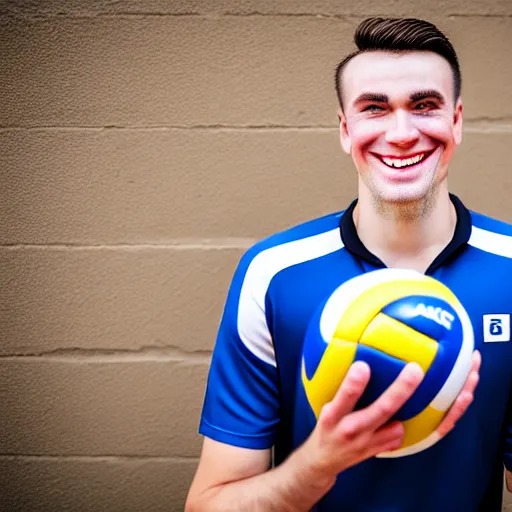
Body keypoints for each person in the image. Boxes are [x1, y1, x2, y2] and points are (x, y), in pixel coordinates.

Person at [185, 17, 512, 511]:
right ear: (345, 128)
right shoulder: (274, 275)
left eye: (424, 106)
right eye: (374, 109)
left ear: (457, 121)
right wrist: (315, 466)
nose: (402, 133)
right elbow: (209, 505)